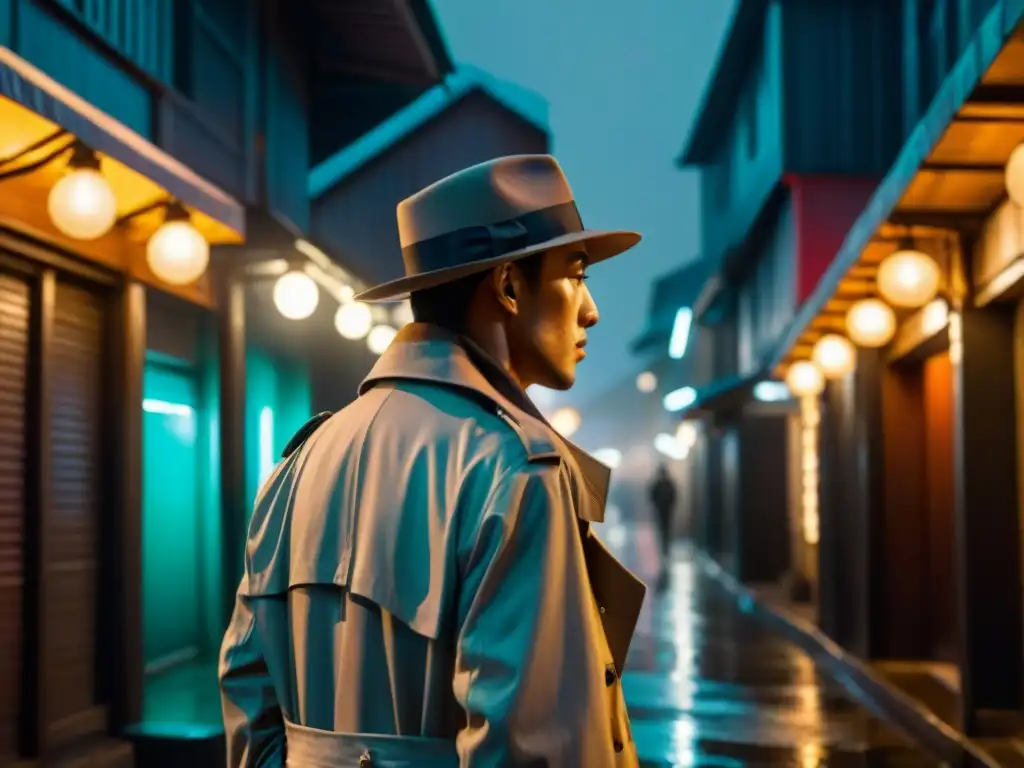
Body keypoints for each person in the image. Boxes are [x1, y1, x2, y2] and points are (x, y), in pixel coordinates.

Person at [218, 155, 647, 767]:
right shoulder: (513, 468)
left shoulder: (301, 461)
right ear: (506, 286)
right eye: (575, 274)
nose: (590, 309)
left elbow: (247, 694)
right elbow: (534, 746)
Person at [649, 464, 678, 590]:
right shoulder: (665, 483)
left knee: (664, 529)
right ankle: (664, 547)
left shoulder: (661, 484)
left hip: (664, 510)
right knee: (664, 529)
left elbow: (652, 495)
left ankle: (664, 547)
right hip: (664, 510)